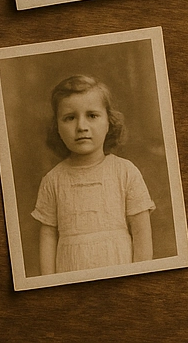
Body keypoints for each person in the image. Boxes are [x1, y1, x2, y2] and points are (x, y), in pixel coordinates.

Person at [32, 74, 154, 274]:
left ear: (109, 122)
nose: (81, 127)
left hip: (120, 269)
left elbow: (141, 231)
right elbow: (48, 235)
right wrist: (49, 285)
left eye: (92, 115)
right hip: (70, 273)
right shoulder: (53, 180)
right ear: (57, 127)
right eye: (70, 118)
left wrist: (140, 277)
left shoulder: (125, 172)